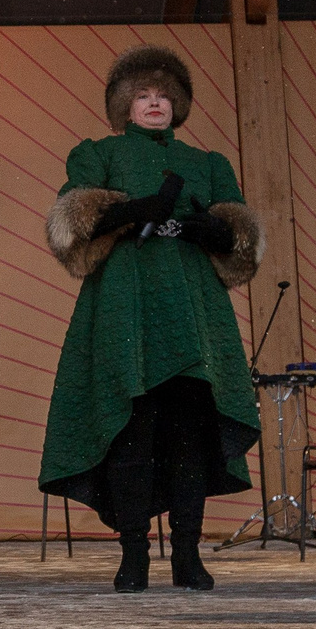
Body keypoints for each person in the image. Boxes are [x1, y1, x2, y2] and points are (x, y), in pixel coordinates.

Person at [40, 46, 264, 592]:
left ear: (179, 104)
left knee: (189, 435)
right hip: (123, 307)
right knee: (131, 431)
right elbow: (72, 224)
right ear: (124, 106)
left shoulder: (209, 163)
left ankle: (188, 555)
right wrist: (136, 210)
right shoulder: (96, 153)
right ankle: (134, 556)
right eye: (142, 95)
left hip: (193, 313)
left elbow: (240, 240)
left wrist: (203, 228)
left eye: (163, 95)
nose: (154, 103)